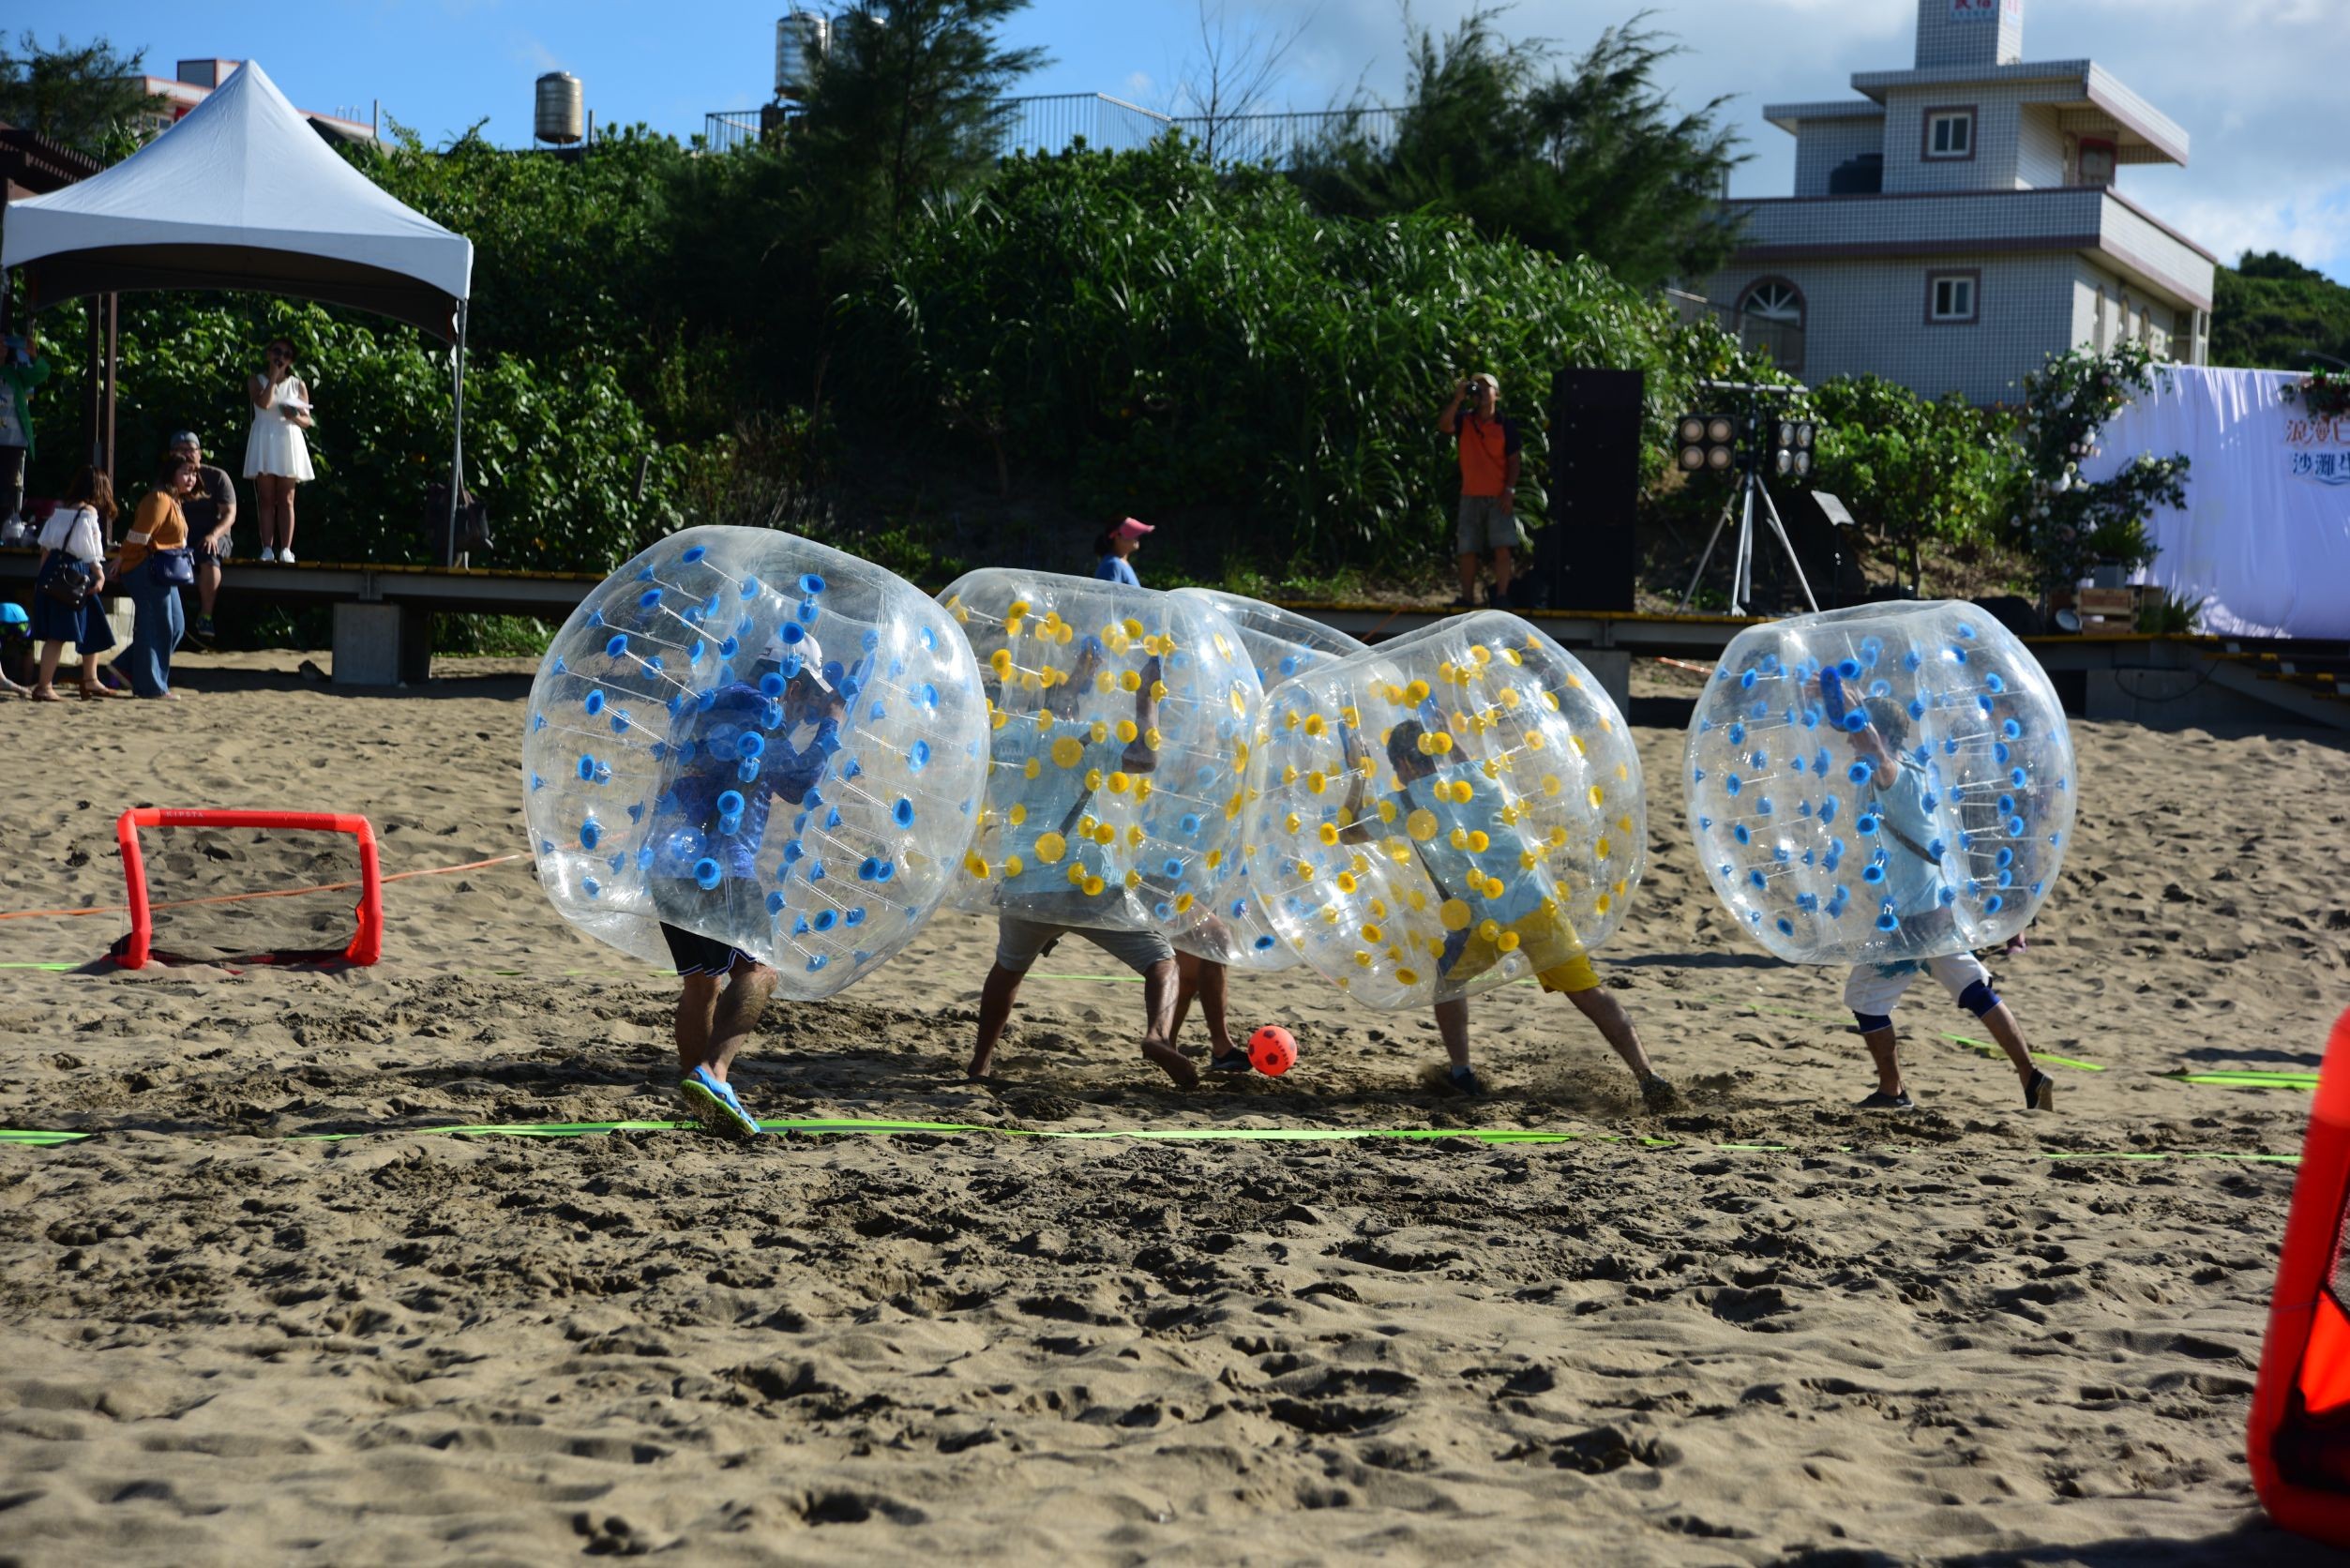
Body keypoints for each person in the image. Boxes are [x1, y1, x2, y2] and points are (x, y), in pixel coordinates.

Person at [1360, 716, 1677, 1108]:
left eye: (1396, 769)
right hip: (1536, 905)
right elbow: (1465, 763)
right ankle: (1647, 1075)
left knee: (1447, 982)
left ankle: (1461, 1074)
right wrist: (1452, 740)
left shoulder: (1405, 804)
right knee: (1589, 992)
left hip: (1485, 923)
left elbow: (1347, 832)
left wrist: (1356, 770)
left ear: (1404, 766)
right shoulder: (1478, 778)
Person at [966, 639, 1197, 1088]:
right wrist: (1145, 698)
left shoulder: (1004, 734)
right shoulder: (1082, 735)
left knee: (1008, 969)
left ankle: (980, 1064)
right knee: (1162, 961)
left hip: (1023, 879)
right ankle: (1159, 1036)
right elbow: (1144, 758)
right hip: (1088, 879)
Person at [1822, 669, 2053, 1113]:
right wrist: (1850, 695)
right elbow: (1875, 734)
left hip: (1913, 917)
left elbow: (1872, 741)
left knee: (1864, 1000)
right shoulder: (1913, 769)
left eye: (1856, 733)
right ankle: (2031, 1075)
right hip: (1935, 906)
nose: (1849, 741)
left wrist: (1849, 701)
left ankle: (1893, 1091)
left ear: (1879, 736)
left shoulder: (1893, 775)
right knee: (1976, 989)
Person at [645, 636, 844, 1138]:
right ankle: (714, 1074)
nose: (804, 707)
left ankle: (701, 1100)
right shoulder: (765, 706)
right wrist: (830, 727)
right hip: (721, 863)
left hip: (666, 856)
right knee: (759, 972)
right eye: (808, 697)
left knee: (703, 980)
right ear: (792, 681)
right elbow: (796, 782)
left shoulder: (703, 702)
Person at [27, 466, 123, 702]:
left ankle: (90, 679)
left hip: (54, 571)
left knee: (91, 623)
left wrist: (42, 579)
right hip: (75, 573)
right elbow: (90, 550)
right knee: (59, 634)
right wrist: (100, 574)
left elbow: (46, 548)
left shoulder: (59, 511)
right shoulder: (88, 512)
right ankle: (44, 686)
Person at [1437, 372, 1522, 610]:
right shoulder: (1465, 421)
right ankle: (1467, 597)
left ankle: (1502, 596)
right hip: (1470, 494)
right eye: (1478, 388)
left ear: (1497, 394)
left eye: (1488, 388)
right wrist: (1458, 399)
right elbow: (1444, 426)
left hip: (1498, 496)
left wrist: (1509, 490)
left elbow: (1515, 461)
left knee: (1502, 546)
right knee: (1467, 547)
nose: (1482, 392)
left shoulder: (1506, 426)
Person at [113, 455, 195, 700]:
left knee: (176, 625)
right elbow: (139, 535)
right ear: (171, 473)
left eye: (193, 473)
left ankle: (125, 668)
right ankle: (151, 687)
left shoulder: (174, 500)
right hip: (146, 568)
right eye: (185, 472)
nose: (191, 478)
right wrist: (122, 557)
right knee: (157, 625)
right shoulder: (159, 499)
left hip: (165, 571)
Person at [245, 337, 314, 563]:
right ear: (268, 353)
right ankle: (267, 548)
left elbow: (308, 421)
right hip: (265, 438)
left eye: (286, 355)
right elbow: (263, 404)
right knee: (266, 497)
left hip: (287, 439)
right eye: (277, 352)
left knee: (286, 498)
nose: (281, 357)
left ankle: (286, 549)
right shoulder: (256, 380)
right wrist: (273, 378)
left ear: (291, 360)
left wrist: (293, 415)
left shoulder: (298, 384)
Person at [172, 431, 238, 647]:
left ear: (200, 453)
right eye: (181, 451)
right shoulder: (169, 479)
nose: (187, 455)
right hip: (182, 534)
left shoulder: (217, 477)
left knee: (209, 552)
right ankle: (172, 616)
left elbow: (229, 513)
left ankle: (206, 616)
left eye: (191, 450)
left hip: (214, 534)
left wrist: (214, 534)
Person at [0, 323, 50, 533]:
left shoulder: (14, 373)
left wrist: (33, 355)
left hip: (13, 443)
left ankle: (5, 528)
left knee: (9, 489)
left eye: (4, 344)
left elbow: (41, 373)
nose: (1, 347)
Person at [1093, 517, 1151, 586]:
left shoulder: (1120, 563)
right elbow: (1109, 596)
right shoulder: (1112, 565)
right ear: (1117, 537)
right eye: (1131, 533)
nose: (1137, 536)